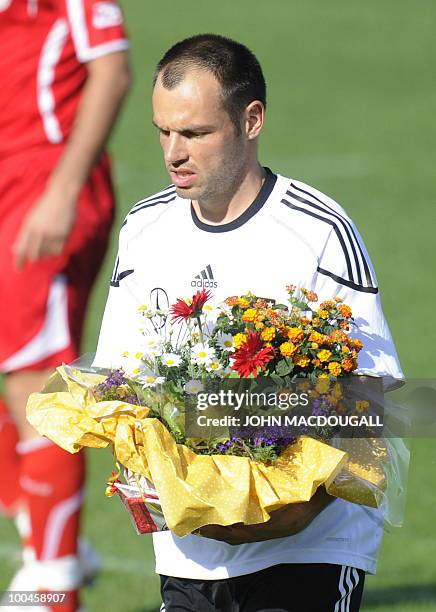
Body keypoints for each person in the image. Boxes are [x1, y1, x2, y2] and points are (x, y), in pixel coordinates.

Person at [93, 34, 403, 612]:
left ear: (251, 119)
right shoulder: (143, 230)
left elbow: (374, 404)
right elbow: (117, 385)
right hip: (188, 550)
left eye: (195, 133)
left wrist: (284, 513)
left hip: (309, 549)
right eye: (164, 132)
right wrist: (157, 488)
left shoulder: (320, 232)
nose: (173, 153)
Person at [0, 1, 130, 610]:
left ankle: (50, 584)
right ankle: (54, 547)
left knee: (35, 378)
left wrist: (63, 189)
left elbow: (112, 68)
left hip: (41, 180)